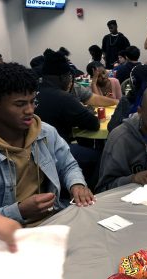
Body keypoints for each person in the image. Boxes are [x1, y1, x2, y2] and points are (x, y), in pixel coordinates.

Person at [0, 62, 95, 228]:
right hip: (7, 235)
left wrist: (77, 184)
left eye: (33, 101)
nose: (30, 110)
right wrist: (19, 211)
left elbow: (68, 165)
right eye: (20, 104)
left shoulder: (45, 132)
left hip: (54, 220)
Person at [35, 49, 101, 191]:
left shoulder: (33, 91)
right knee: (100, 157)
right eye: (69, 77)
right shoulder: (62, 97)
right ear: (63, 77)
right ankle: (94, 192)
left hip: (34, 153)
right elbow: (93, 124)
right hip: (54, 153)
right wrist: (87, 109)